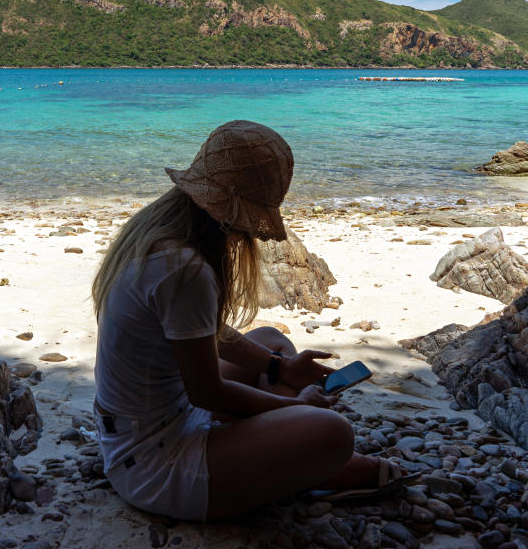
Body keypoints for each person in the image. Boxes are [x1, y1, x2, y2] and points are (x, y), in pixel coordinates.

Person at [91, 120, 411, 522]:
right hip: (156, 465)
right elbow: (207, 393)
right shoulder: (184, 268)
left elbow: (209, 335)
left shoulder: (156, 233)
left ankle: (275, 451)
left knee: (270, 340)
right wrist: (292, 404)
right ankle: (307, 467)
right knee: (332, 431)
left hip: (139, 431)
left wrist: (280, 367)